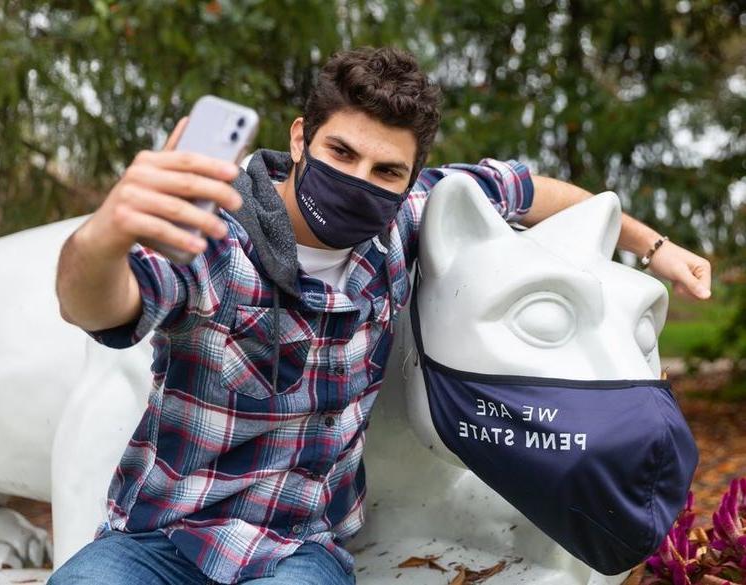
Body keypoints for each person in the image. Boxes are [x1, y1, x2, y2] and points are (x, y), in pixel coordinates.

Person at [52, 46, 711, 585]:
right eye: (342, 154)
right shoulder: (212, 235)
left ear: (412, 175)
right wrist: (105, 234)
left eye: (386, 169)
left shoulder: (409, 217)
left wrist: (654, 245)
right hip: (162, 538)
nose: (361, 179)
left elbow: (536, 191)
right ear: (301, 138)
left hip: (298, 546)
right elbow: (97, 304)